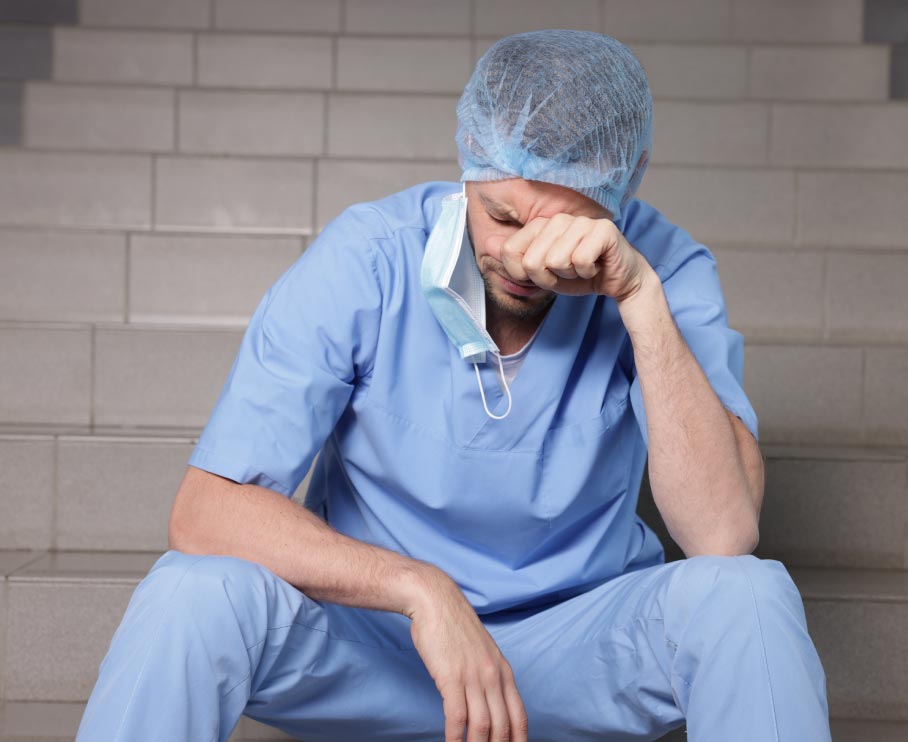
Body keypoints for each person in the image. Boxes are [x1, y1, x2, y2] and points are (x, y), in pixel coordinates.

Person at [77, 30, 831, 742]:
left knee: (748, 595)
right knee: (191, 591)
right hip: (378, 647)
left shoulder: (664, 268)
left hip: (574, 657)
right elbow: (205, 511)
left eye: (564, 228)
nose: (523, 257)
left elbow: (722, 535)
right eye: (500, 215)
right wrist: (419, 589)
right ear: (467, 165)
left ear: (619, 195)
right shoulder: (366, 260)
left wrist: (637, 298)